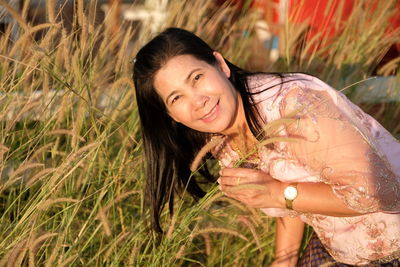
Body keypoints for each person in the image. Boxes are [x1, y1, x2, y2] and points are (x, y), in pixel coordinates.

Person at [132, 27, 400, 266]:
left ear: (220, 65)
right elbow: (293, 192)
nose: (198, 100)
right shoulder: (219, 134)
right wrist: (283, 261)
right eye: (177, 97)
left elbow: (380, 192)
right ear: (171, 115)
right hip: (340, 252)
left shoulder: (293, 105)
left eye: (197, 78)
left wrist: (278, 193)